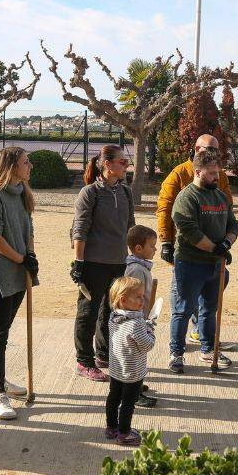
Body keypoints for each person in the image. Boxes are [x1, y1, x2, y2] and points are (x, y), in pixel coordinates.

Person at [155, 133, 234, 351]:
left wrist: (225, 240)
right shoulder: (179, 174)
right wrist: (165, 242)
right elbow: (165, 208)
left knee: (208, 301)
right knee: (182, 298)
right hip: (187, 249)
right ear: (196, 149)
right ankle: (177, 343)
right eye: (208, 149)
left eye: (216, 150)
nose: (212, 154)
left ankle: (201, 333)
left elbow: (227, 208)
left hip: (214, 253)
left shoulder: (219, 175)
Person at [0, 147, 37, 421]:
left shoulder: (22, 193)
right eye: (26, 162)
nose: (30, 166)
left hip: (19, 271)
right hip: (1, 274)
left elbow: (28, 229)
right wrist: (19, 257)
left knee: (6, 328)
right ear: (11, 166)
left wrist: (30, 255)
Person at [169, 150, 238, 373]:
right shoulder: (187, 198)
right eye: (211, 174)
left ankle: (209, 349)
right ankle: (176, 353)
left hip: (216, 266)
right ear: (197, 172)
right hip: (190, 264)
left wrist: (226, 244)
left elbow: (233, 225)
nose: (216, 177)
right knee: (183, 309)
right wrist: (214, 248)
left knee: (209, 309)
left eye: (217, 172)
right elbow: (189, 230)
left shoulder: (220, 196)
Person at [70, 144, 135, 382]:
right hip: (93, 263)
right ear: (107, 164)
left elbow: (130, 226)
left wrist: (135, 256)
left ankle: (104, 354)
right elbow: (80, 229)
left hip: (118, 262)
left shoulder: (125, 192)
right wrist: (79, 262)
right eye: (122, 162)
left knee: (110, 311)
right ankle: (83, 361)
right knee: (88, 312)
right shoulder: (90, 192)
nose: (126, 166)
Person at [105, 276, 155, 447]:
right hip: (132, 372)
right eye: (139, 297)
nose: (143, 299)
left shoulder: (114, 317)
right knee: (128, 404)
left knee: (113, 398)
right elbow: (147, 345)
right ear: (124, 300)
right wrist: (150, 329)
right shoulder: (136, 323)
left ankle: (111, 427)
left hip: (117, 369)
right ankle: (124, 433)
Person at [124, 224, 159, 407]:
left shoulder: (141, 267)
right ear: (138, 248)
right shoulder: (136, 270)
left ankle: (136, 386)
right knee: (135, 359)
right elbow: (132, 297)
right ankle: (133, 393)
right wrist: (141, 317)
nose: (155, 249)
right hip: (135, 320)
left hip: (140, 317)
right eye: (152, 246)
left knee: (140, 358)